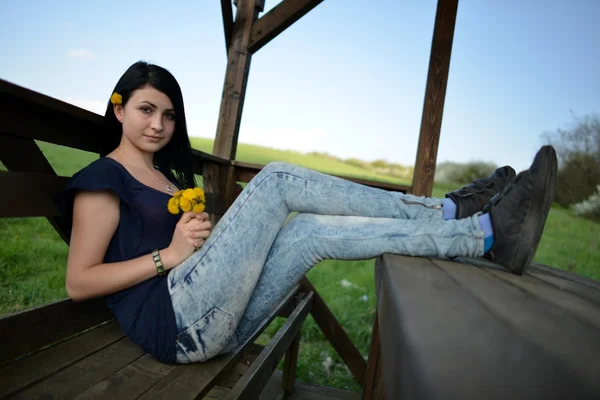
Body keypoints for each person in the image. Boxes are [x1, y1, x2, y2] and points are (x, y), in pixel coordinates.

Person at [55, 61, 557, 365]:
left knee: (310, 232)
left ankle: (483, 235)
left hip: (208, 320)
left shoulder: (166, 178)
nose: (159, 124)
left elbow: (187, 254)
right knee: (275, 181)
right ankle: (446, 209)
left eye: (168, 114)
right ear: (119, 110)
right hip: (176, 325)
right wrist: (171, 253)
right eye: (146, 110)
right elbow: (79, 281)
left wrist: (198, 242)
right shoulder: (103, 178)